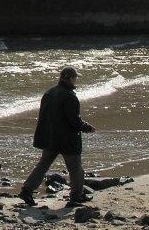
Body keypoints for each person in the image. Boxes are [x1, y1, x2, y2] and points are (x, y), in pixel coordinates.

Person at [19, 66, 96, 208]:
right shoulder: (69, 96)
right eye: (75, 78)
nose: (76, 80)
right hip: (67, 139)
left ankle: (27, 190)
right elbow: (73, 120)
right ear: (71, 78)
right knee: (75, 168)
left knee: (42, 165)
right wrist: (87, 128)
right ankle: (76, 196)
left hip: (50, 138)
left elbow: (43, 117)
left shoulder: (49, 93)